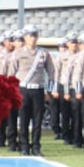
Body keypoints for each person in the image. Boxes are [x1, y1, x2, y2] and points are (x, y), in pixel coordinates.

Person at [11, 24, 55, 156]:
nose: (33, 38)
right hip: (23, 89)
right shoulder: (18, 53)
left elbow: (51, 71)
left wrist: (49, 90)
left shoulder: (43, 53)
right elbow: (11, 73)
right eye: (30, 35)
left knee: (37, 119)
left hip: (38, 89)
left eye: (35, 35)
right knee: (23, 119)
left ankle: (36, 146)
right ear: (25, 37)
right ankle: (24, 146)